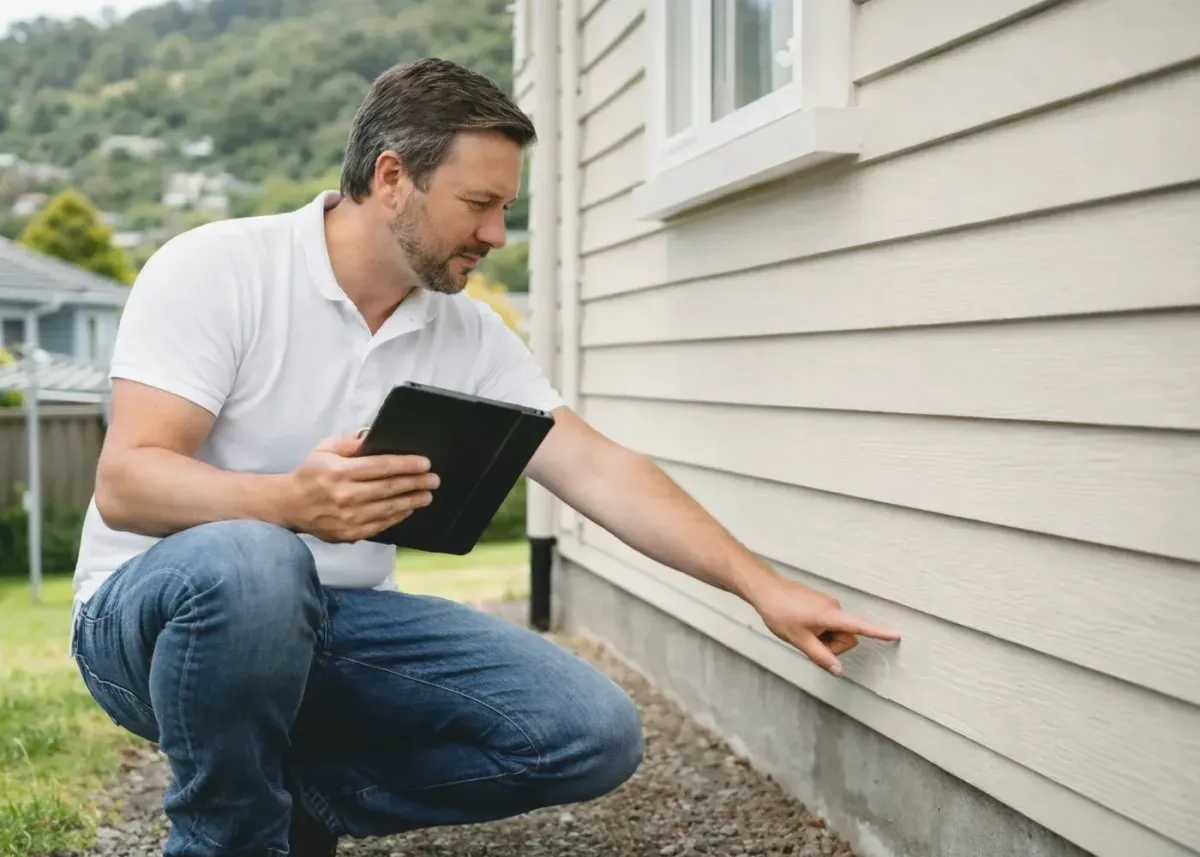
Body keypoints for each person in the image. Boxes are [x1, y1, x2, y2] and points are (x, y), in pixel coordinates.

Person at [69, 57, 901, 857]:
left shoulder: (464, 332)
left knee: (590, 732)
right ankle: (227, 838)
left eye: (506, 208)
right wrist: (289, 502)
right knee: (256, 558)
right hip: (154, 622)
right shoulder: (218, 269)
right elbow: (127, 481)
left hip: (336, 625)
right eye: (479, 204)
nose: (497, 234)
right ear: (392, 177)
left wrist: (761, 587)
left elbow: (597, 467)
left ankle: (296, 802)